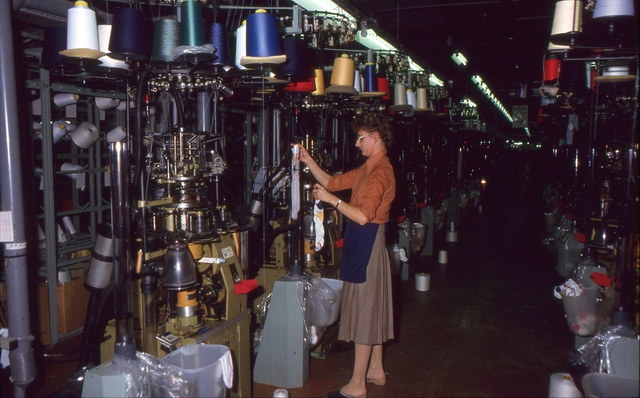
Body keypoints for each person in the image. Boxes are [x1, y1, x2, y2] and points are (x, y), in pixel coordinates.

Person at [295, 112, 396, 398]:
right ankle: (375, 370)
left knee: (365, 313)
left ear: (376, 138)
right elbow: (332, 181)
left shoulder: (380, 172)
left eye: (361, 138)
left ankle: (357, 384)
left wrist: (332, 202)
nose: (357, 144)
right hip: (359, 243)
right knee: (372, 310)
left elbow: (363, 216)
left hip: (368, 243)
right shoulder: (368, 167)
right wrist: (308, 160)